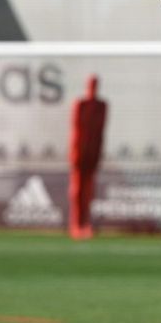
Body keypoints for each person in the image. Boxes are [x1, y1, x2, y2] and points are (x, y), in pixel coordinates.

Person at [68, 75, 107, 240]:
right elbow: (75, 129)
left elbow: (101, 131)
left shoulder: (102, 106)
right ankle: (76, 223)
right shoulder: (80, 104)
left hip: (92, 153)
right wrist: (74, 151)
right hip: (80, 153)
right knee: (77, 189)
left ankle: (86, 223)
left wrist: (98, 151)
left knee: (89, 190)